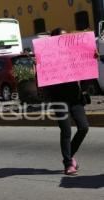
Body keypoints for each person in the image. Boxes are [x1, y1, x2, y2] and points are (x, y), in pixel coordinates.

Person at [45, 28, 89, 175]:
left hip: (74, 96)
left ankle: (69, 154)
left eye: (66, 37)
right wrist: (39, 63)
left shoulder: (73, 52)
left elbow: (86, 66)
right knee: (66, 130)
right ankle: (68, 163)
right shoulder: (47, 55)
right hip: (58, 98)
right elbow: (42, 79)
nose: (64, 39)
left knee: (84, 127)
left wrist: (91, 58)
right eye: (60, 37)